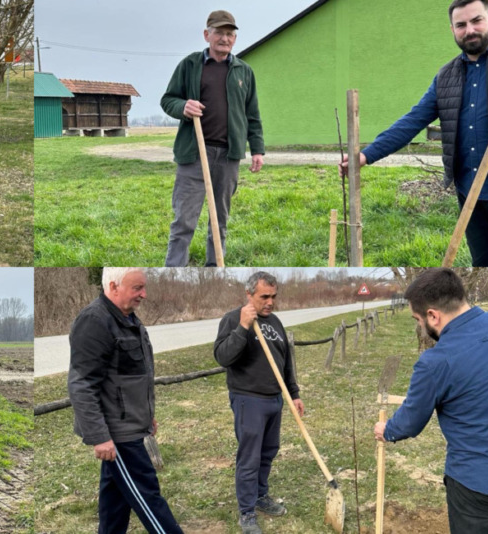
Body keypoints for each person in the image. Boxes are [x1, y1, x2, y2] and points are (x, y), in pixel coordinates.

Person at [340, 0, 488, 267]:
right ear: (452, 29)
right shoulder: (446, 75)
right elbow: (413, 120)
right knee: (482, 268)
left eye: (476, 20)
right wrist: (367, 155)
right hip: (468, 187)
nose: (469, 30)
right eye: (461, 25)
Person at [375, 268, 488, 533]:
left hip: (476, 485)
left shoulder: (436, 361)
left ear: (432, 316)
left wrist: (387, 430)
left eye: (418, 319)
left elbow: (410, 422)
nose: (420, 327)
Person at [67, 268, 184, 534]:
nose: (144, 294)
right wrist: (99, 436)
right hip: (117, 435)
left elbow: (132, 376)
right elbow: (81, 383)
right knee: (148, 497)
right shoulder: (95, 321)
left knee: (115, 503)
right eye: (137, 288)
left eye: (143, 288)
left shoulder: (127, 318)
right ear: (113, 286)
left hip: (131, 425)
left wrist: (146, 415)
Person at [161, 10, 265, 267]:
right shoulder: (190, 65)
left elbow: (252, 115)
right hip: (194, 152)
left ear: (235, 39)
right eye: (219, 32)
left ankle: (214, 269)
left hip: (228, 156)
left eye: (230, 34)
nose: (225, 38)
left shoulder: (244, 72)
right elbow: (168, 100)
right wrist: (183, 107)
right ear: (207, 34)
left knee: (219, 220)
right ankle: (174, 271)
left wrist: (257, 150)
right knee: (184, 220)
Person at [213, 271, 302, 534]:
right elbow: (223, 357)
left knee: (268, 452)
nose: (270, 302)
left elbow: (285, 362)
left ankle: (261, 496)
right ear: (249, 294)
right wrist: (242, 326)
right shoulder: (232, 319)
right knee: (249, 458)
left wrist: (293, 394)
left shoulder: (275, 322)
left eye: (274, 296)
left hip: (275, 400)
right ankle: (247, 512)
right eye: (264, 296)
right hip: (248, 400)